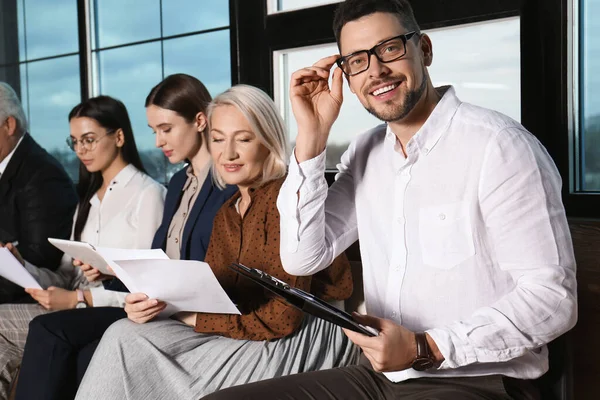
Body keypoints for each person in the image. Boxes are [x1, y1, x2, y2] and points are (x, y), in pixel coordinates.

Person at [202, 1, 578, 399]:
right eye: (358, 61)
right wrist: (311, 135)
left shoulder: (498, 145)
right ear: (345, 76)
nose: (376, 71)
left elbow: (553, 298)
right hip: (381, 380)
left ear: (425, 50)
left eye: (390, 48)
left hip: (479, 381)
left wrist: (425, 347)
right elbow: (302, 258)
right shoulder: (365, 154)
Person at [74, 84, 358, 400]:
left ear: (268, 141)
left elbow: (282, 318)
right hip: (250, 327)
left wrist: (189, 317)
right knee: (124, 333)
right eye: (219, 139)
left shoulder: (286, 200)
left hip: (301, 338)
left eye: (244, 139)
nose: (228, 153)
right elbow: (220, 295)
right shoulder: (228, 211)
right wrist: (157, 306)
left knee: (139, 352)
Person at [13, 74, 238, 400]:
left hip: (190, 312)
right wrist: (112, 271)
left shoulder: (221, 186)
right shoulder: (177, 184)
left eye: (166, 129)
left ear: (200, 120)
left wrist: (91, 295)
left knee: (76, 345)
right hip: (157, 305)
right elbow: (158, 257)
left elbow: (212, 266)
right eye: (154, 132)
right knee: (76, 346)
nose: (159, 141)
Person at [0, 94, 166, 399]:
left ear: (118, 137)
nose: (80, 150)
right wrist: (21, 265)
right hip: (72, 303)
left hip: (111, 311)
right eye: (74, 141)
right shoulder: (87, 200)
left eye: (88, 139)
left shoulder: (148, 195)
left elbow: (146, 288)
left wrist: (76, 299)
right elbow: (65, 275)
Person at [0, 82, 78, 304]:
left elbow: (41, 258)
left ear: (9, 124)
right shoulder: (9, 163)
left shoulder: (43, 174)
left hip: (36, 295)